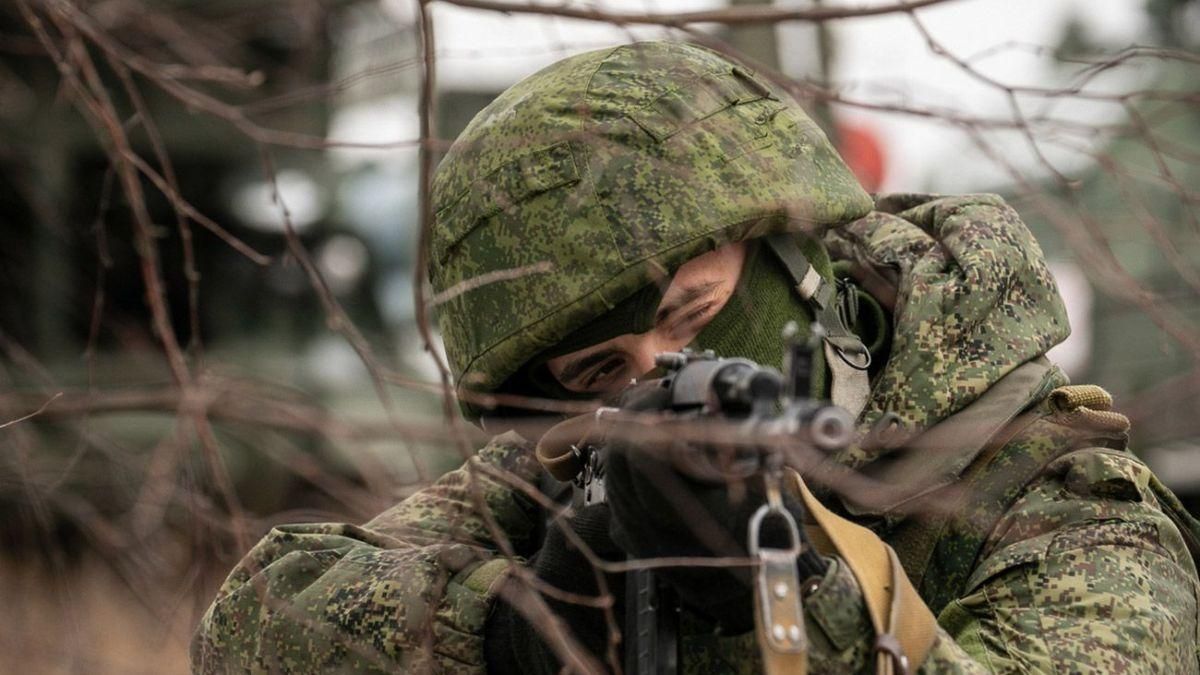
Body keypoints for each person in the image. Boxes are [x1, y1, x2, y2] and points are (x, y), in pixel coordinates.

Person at [192, 41, 1200, 674]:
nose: (657, 376)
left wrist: (781, 598)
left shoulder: (1063, 504)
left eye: (694, 312)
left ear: (800, 260)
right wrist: (533, 625)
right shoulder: (573, 474)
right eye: (601, 369)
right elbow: (252, 631)